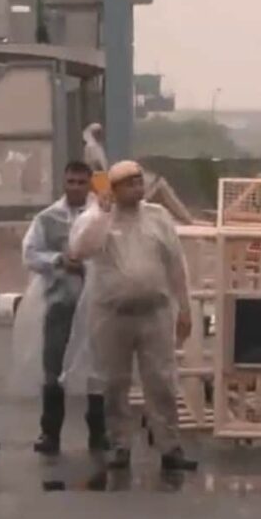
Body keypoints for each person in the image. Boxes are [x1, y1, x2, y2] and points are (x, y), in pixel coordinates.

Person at [69, 160, 197, 471]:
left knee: (162, 382)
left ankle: (170, 447)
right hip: (111, 315)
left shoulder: (158, 217)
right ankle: (119, 444)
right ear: (113, 188)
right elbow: (80, 250)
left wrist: (185, 306)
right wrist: (102, 213)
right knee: (114, 383)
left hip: (155, 312)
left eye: (139, 181)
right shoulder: (95, 217)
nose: (136, 188)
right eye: (128, 183)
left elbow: (176, 264)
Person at [17, 160, 108, 455]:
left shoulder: (103, 216)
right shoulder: (48, 218)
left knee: (96, 367)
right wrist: (58, 261)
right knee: (53, 367)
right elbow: (31, 253)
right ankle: (50, 433)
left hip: (96, 305)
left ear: (90, 184)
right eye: (71, 182)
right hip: (60, 303)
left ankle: (98, 432)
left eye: (82, 182)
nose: (76, 188)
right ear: (63, 183)